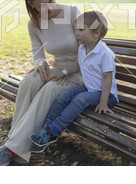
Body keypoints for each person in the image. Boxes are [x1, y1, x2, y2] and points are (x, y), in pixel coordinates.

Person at [0, 0, 83, 166]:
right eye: (43, 6)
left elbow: (88, 54)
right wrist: (41, 62)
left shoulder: (73, 13)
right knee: (30, 81)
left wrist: (66, 72)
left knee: (50, 89)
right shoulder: (33, 24)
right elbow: (37, 52)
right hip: (59, 68)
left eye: (51, 1)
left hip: (80, 73)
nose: (50, 8)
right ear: (33, 7)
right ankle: (13, 146)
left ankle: (10, 149)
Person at [29, 10, 118, 153]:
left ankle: (54, 131)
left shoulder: (105, 53)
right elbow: (78, 64)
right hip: (89, 89)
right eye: (76, 29)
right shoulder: (83, 47)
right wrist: (63, 73)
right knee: (64, 95)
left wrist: (103, 102)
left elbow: (107, 79)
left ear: (97, 33)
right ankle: (45, 130)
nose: (76, 33)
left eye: (81, 30)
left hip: (106, 95)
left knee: (79, 99)